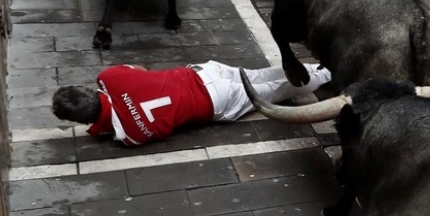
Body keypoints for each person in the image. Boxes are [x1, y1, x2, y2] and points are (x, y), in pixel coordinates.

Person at [51, 62, 332, 146]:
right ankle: (320, 66)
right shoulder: (108, 77)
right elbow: (142, 70)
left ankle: (327, 74)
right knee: (259, 75)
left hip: (216, 102)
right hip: (202, 72)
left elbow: (164, 131)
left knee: (273, 91)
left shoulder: (130, 136)